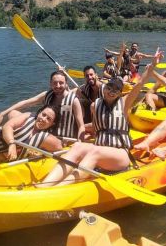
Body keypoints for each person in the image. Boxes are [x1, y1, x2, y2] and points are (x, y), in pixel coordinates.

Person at [39, 55, 159, 187]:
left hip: (120, 154)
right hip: (101, 150)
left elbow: (139, 84)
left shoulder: (124, 103)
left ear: (120, 93)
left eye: (116, 90)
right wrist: (83, 132)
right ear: (105, 88)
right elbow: (96, 128)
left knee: (95, 152)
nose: (111, 92)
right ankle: (44, 185)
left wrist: (152, 65)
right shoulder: (96, 105)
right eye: (109, 88)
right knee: (78, 146)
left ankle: (58, 189)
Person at [0, 70, 86, 141]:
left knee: (17, 120)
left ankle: (14, 136)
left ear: (66, 84)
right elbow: (25, 103)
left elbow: (81, 125)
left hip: (61, 137)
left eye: (61, 83)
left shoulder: (73, 100)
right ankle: (8, 133)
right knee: (12, 113)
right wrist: (2, 113)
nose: (58, 86)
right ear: (50, 84)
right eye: (55, 83)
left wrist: (79, 143)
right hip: (44, 129)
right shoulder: (47, 94)